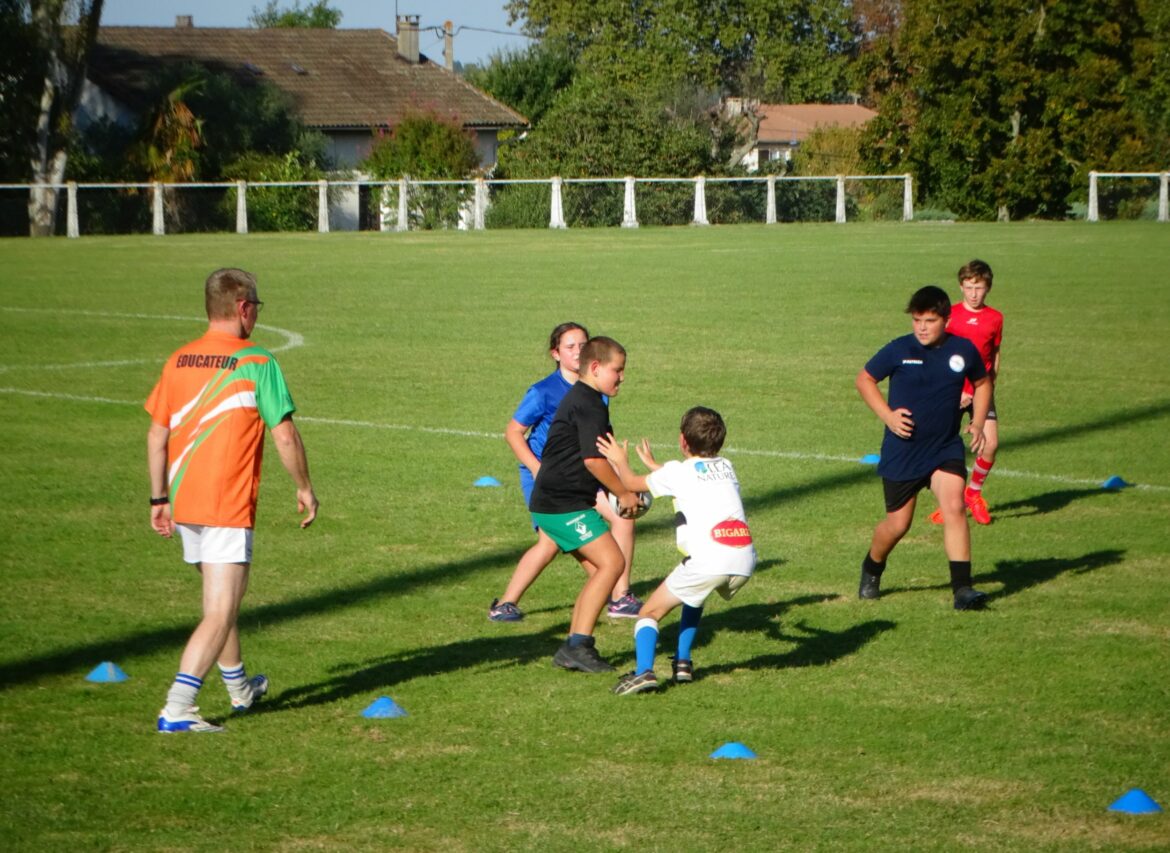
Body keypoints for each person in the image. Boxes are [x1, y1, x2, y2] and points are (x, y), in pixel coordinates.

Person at [146, 268, 319, 733]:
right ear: (243, 308)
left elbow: (157, 433)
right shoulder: (257, 363)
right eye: (256, 308)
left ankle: (241, 689)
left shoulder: (178, 360)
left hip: (185, 502)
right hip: (226, 505)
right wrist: (303, 486)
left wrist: (158, 497)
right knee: (222, 611)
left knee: (219, 604)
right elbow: (283, 433)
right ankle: (178, 707)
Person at [597, 407, 756, 695]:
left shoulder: (677, 472)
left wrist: (620, 461)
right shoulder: (727, 466)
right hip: (744, 559)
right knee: (694, 598)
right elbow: (692, 479)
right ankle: (683, 662)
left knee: (649, 612)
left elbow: (632, 484)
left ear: (683, 441)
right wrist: (658, 468)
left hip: (710, 560)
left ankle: (644, 672)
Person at [488, 324, 640, 622]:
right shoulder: (544, 391)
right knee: (550, 542)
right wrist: (537, 469)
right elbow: (513, 433)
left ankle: (620, 597)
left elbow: (596, 447)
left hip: (580, 477)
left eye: (583, 344)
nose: (578, 351)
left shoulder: (598, 391)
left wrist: (620, 482)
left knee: (621, 518)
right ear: (555, 354)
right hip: (550, 479)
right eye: (570, 346)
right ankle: (506, 603)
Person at [855, 285, 991, 611]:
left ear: (946, 319)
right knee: (898, 525)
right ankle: (873, 566)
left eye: (929, 320)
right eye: (917, 320)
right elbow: (864, 379)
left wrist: (978, 421)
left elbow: (984, 383)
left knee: (955, 507)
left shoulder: (963, 351)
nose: (922, 327)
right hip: (903, 451)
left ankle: (962, 590)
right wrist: (888, 416)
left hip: (944, 447)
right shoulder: (899, 349)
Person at [528, 336, 640, 673]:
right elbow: (593, 461)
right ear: (595, 368)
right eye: (616, 370)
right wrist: (622, 493)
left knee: (599, 572)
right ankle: (579, 646)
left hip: (562, 500)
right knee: (611, 563)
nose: (622, 377)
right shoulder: (589, 402)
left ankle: (573, 646)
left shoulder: (589, 399)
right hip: (560, 504)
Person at [928, 259, 1004, 526]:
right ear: (961, 286)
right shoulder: (951, 317)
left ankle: (973, 494)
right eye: (969, 287)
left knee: (991, 444)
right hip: (952, 390)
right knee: (941, 447)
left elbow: (993, 354)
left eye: (979, 288)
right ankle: (949, 504)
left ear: (988, 289)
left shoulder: (995, 318)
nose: (974, 293)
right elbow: (937, 353)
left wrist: (987, 385)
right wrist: (956, 388)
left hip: (981, 389)